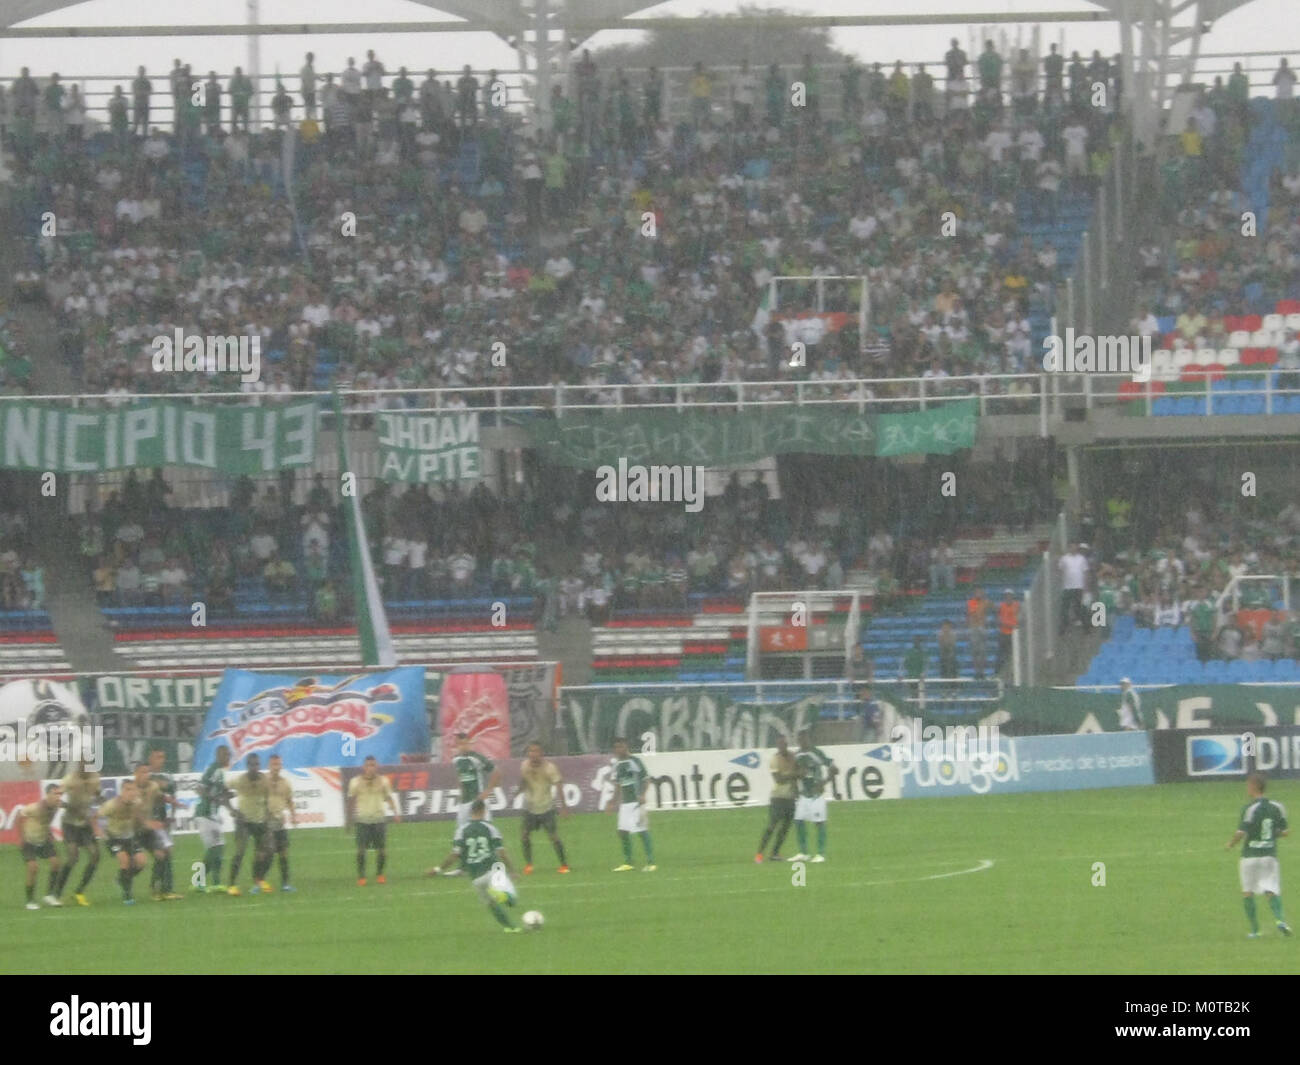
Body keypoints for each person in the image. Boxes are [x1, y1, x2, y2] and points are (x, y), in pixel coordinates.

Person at [430, 799, 522, 932]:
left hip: (475, 878)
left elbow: (455, 855)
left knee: (491, 904)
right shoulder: (490, 828)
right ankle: (501, 894)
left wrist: (438, 869)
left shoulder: (461, 830)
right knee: (512, 899)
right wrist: (512, 870)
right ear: (483, 811)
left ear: (471, 811)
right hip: (492, 871)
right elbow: (502, 852)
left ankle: (510, 928)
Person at [1226, 773, 1291, 938]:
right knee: (1271, 890)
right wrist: (1269, 836)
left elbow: (1241, 832)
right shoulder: (1278, 807)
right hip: (1269, 856)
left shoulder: (1249, 809)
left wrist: (1231, 844)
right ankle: (1280, 920)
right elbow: (1285, 832)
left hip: (1250, 856)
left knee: (1248, 892)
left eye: (1248, 785)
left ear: (1254, 786)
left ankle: (1255, 931)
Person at [603, 736, 654, 871]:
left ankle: (651, 862)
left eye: (621, 746)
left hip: (636, 802)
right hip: (625, 803)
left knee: (642, 830)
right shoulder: (618, 765)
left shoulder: (635, 761)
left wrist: (642, 794)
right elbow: (618, 785)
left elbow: (646, 779)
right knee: (622, 831)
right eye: (617, 747)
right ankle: (628, 862)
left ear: (627, 747)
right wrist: (612, 802)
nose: (619, 749)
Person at [518, 742, 570, 874]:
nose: (533, 754)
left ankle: (564, 865)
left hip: (546, 807)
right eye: (530, 751)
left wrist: (563, 807)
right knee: (524, 835)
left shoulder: (549, 768)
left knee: (553, 837)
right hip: (529, 806)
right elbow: (524, 780)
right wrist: (518, 791)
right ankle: (529, 865)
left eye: (536, 751)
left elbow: (558, 785)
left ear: (541, 753)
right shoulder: (524, 765)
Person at [348, 754, 400, 885]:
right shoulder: (355, 782)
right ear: (364, 767)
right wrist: (348, 819)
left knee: (382, 850)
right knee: (361, 850)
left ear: (377, 767)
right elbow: (351, 800)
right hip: (362, 820)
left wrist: (395, 813)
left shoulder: (383, 781)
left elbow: (388, 797)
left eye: (373, 765)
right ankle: (361, 876)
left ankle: (380, 874)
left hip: (379, 820)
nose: (371, 768)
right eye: (368, 765)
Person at [56, 760, 102, 905]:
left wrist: (100, 800)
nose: (84, 767)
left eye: (88, 764)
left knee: (95, 855)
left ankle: (79, 891)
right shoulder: (70, 779)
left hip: (85, 823)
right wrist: (67, 805)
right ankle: (57, 893)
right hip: (69, 823)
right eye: (82, 764)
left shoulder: (95, 777)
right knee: (73, 857)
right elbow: (57, 797)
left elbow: (98, 794)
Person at [227, 753, 272, 896]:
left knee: (265, 852)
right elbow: (223, 791)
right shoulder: (240, 780)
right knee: (240, 852)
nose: (255, 767)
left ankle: (259, 880)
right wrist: (231, 809)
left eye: (257, 764)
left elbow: (267, 799)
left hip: (259, 821)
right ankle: (232, 885)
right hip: (243, 822)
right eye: (252, 764)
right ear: (248, 766)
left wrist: (267, 816)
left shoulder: (265, 780)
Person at [100, 778, 148, 905]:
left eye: (133, 789)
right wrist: (97, 832)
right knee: (124, 860)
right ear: (121, 791)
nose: (131, 792)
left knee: (141, 862)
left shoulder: (137, 803)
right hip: (113, 837)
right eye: (127, 789)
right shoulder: (112, 805)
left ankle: (121, 879)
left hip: (129, 837)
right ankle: (127, 895)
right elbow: (95, 817)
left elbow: (138, 815)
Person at [194, 744, 233, 893]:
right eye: (225, 755)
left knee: (218, 848)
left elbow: (222, 793)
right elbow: (199, 788)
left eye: (228, 754)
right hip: (204, 814)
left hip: (213, 816)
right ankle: (200, 881)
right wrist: (214, 798)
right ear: (218, 756)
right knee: (215, 849)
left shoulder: (220, 772)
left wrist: (231, 809)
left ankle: (210, 882)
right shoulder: (214, 769)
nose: (227, 757)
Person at [18, 784, 64, 909]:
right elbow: (20, 815)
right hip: (29, 841)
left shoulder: (56, 806)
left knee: (56, 863)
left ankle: (49, 895)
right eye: (56, 794)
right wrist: (21, 837)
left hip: (44, 840)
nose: (59, 797)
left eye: (60, 794)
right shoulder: (35, 807)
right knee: (33, 868)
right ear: (48, 794)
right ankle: (30, 901)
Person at [790, 731, 833, 863]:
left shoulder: (817, 753)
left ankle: (821, 853)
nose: (802, 742)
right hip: (804, 794)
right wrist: (795, 788)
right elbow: (794, 772)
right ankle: (804, 853)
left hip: (816, 794)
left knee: (819, 822)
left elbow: (834, 768)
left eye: (804, 739)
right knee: (798, 821)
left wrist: (824, 782)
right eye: (800, 739)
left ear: (809, 739)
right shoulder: (797, 755)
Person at [145, 749, 181, 901]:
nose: (161, 760)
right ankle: (159, 888)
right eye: (158, 757)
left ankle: (163, 889)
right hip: (149, 821)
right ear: (150, 759)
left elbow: (172, 796)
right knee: (162, 853)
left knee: (165, 854)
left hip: (162, 819)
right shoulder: (146, 776)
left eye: (163, 757)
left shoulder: (167, 777)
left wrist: (171, 817)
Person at [755, 734, 798, 862]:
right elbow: (778, 779)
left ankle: (775, 853)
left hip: (790, 798)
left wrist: (796, 791)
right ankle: (759, 854)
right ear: (777, 746)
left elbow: (795, 776)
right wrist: (794, 774)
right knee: (772, 826)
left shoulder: (793, 757)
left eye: (784, 744)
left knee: (785, 827)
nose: (782, 747)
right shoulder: (775, 759)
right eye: (780, 744)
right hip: (778, 798)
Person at [266, 754, 298, 891]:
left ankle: (285, 884)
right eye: (274, 764)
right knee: (266, 853)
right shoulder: (263, 782)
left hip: (280, 822)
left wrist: (293, 816)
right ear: (269, 766)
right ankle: (259, 883)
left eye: (278, 764)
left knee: (283, 852)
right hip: (266, 823)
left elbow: (289, 801)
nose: (276, 767)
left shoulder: (285, 783)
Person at [1058, 543, 1090, 634]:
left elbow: (1086, 573)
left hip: (1079, 587)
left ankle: (1086, 628)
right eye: (1071, 546)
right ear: (1069, 547)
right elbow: (1060, 570)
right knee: (1065, 609)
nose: (1073, 548)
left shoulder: (1081, 559)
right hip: (1067, 587)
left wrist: (1085, 587)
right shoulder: (1064, 558)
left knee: (1079, 608)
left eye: (1074, 546)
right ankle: (1062, 628)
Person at [967, 587, 990, 679]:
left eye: (981, 592)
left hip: (982, 628)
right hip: (974, 628)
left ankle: (982, 672)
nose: (979, 594)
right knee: (975, 652)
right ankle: (977, 672)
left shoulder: (985, 602)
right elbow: (974, 614)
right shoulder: (971, 602)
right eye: (977, 592)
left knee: (983, 652)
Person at [996, 588, 1019, 672]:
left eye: (1010, 596)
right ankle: (999, 672)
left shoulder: (1017, 605)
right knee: (1002, 654)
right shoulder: (1001, 606)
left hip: (1014, 634)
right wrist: (1010, 625)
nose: (1008, 597)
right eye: (1006, 596)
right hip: (1004, 633)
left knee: (1012, 654)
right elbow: (999, 620)